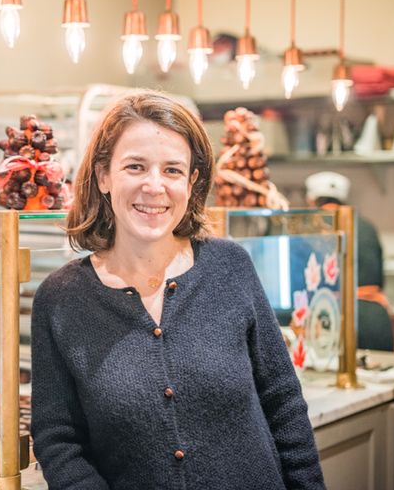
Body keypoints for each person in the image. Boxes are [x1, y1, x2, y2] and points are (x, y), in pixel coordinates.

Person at [31, 90, 325, 490]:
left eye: (172, 170)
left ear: (191, 182)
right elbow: (58, 441)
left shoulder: (230, 267)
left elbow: (283, 403)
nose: (154, 187)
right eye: (135, 167)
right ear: (103, 176)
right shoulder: (60, 299)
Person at [305, 171, 394, 351]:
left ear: (312, 200)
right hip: (375, 318)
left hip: (332, 315)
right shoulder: (367, 226)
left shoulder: (309, 227)